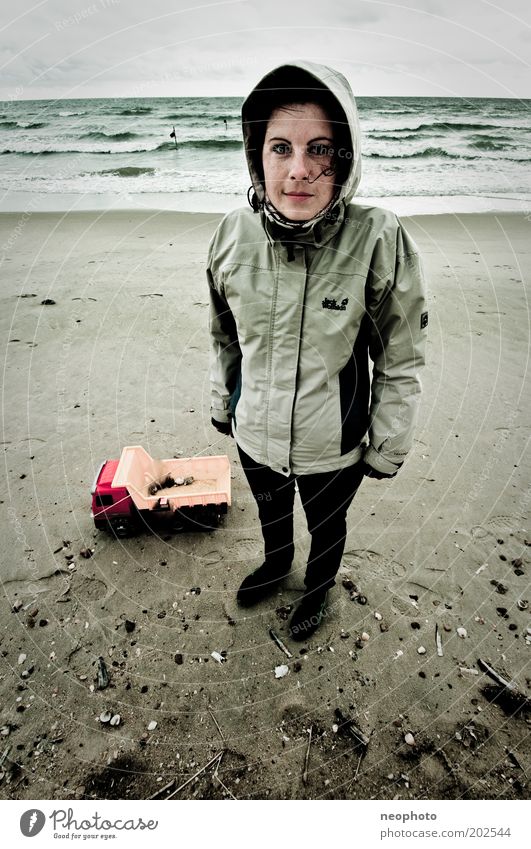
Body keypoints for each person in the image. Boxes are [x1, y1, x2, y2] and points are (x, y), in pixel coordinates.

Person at [207, 62, 427, 641]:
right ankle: (278, 562)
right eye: (281, 148)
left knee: (327, 526)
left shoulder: (377, 237)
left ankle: (319, 587)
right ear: (258, 156)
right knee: (272, 513)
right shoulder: (232, 234)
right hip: (254, 427)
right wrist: (221, 401)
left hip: (334, 443)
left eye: (320, 149)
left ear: (345, 159)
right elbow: (224, 332)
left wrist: (388, 442)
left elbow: (401, 354)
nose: (299, 170)